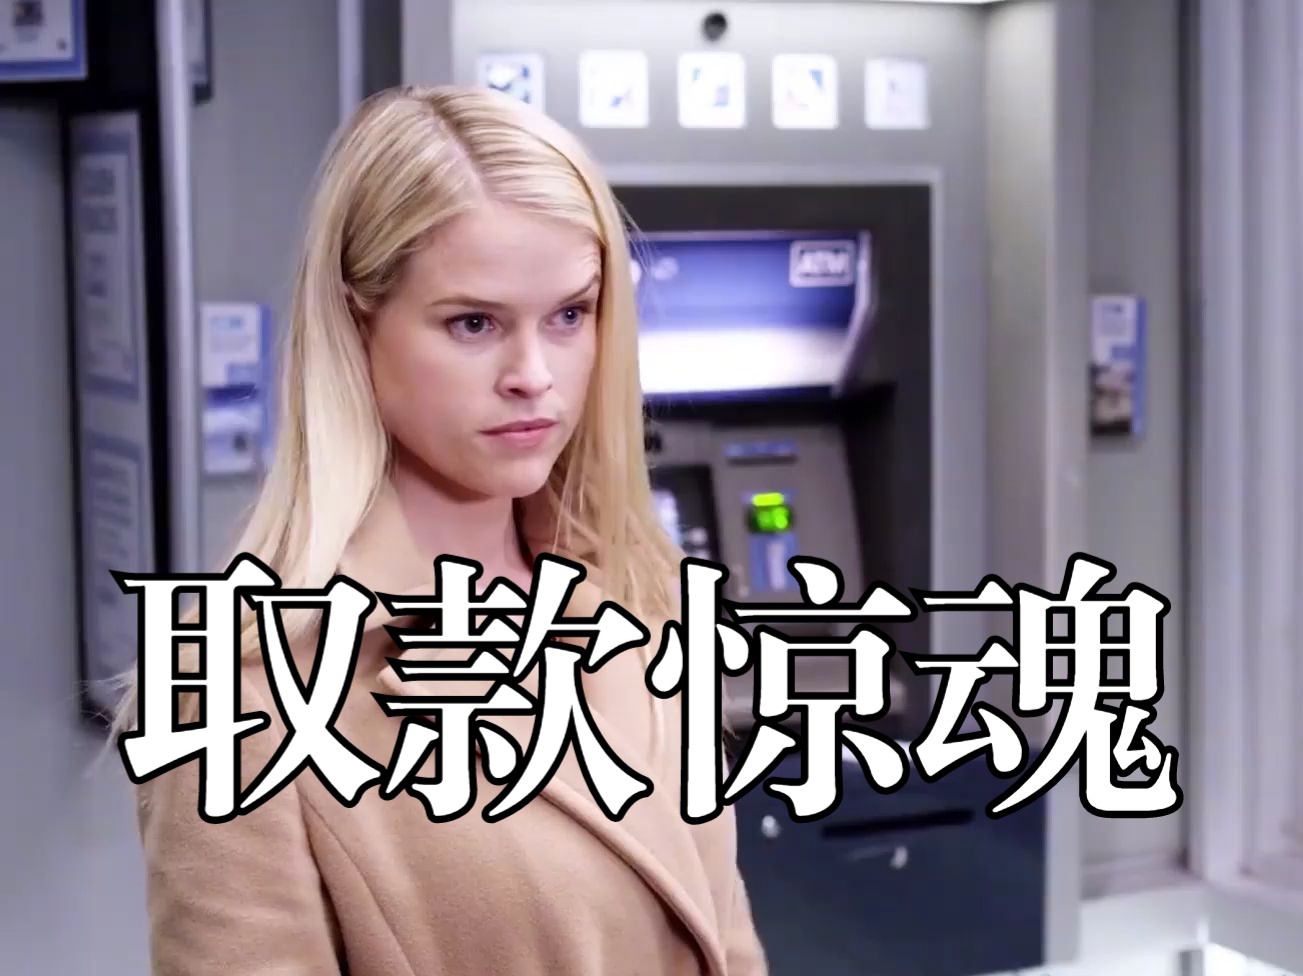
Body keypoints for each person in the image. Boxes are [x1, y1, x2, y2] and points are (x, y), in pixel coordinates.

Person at [112, 84, 768, 975]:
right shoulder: (243, 689)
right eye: (473, 323)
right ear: (357, 324)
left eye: (569, 315)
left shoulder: (638, 593)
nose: (533, 375)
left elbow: (726, 938)